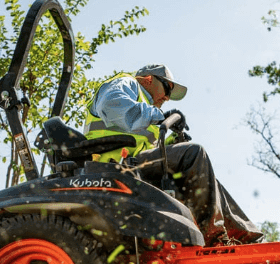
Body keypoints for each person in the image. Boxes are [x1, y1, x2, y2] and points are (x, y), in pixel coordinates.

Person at [83, 64, 262, 246]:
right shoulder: (126, 83)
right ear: (148, 79)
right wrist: (160, 116)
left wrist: (173, 143)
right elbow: (113, 106)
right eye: (167, 88)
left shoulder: (145, 108)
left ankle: (246, 238)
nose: (167, 97)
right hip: (111, 165)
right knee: (194, 153)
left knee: (205, 176)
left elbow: (145, 146)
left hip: (132, 162)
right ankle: (212, 238)